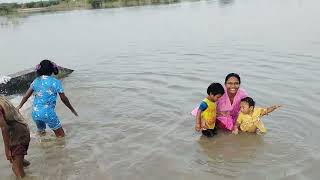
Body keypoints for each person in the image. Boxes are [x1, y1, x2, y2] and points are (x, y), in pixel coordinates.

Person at [17, 60, 78, 137]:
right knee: (61, 136)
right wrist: (72, 109)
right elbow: (64, 99)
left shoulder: (36, 81)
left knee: (41, 134)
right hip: (47, 113)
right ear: (52, 70)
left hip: (35, 113)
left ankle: (44, 147)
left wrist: (19, 106)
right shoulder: (55, 82)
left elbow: (26, 96)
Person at [0, 96, 30, 178]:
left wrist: (7, 149)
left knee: (16, 169)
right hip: (22, 130)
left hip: (18, 134)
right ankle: (30, 168)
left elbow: (3, 127)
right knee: (17, 161)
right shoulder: (2, 99)